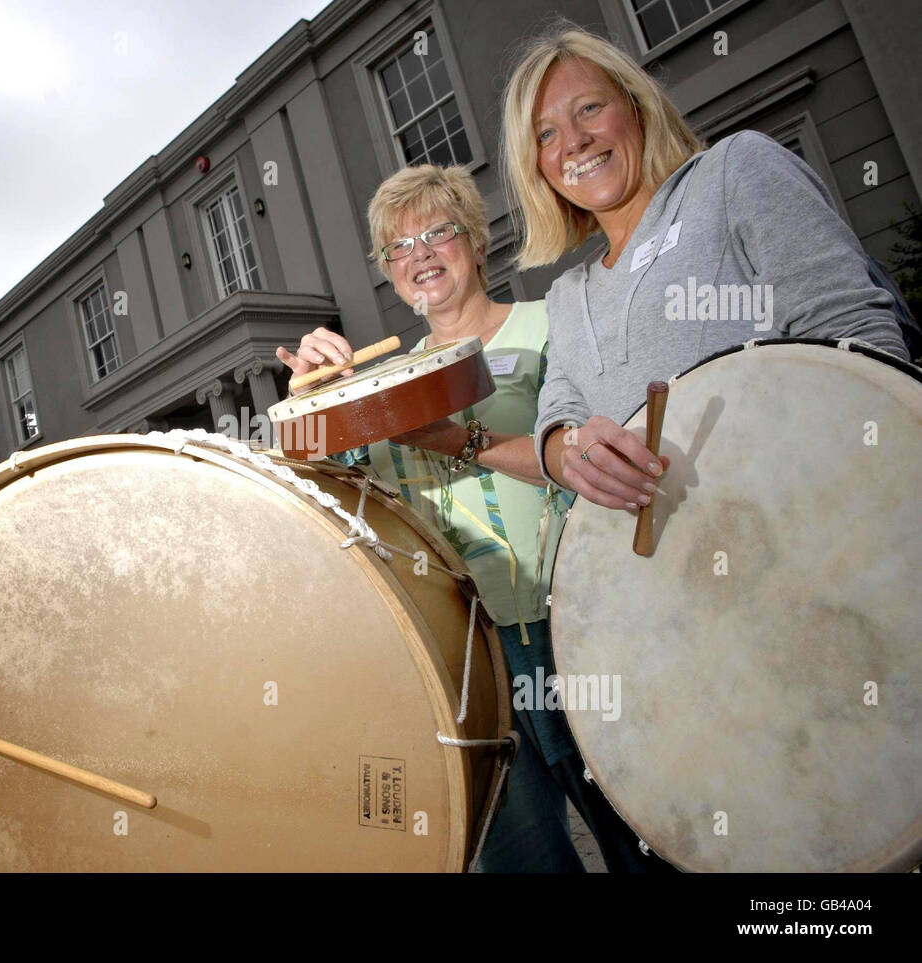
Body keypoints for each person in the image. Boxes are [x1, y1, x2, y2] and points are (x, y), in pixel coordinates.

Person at [277, 164, 645, 872]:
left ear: (475, 242)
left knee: (640, 833)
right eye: (399, 247)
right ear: (389, 274)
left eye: (437, 232)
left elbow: (595, 455)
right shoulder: (380, 384)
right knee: (519, 858)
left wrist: (463, 439)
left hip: (580, 626)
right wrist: (308, 398)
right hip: (468, 656)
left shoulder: (554, 324)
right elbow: (320, 491)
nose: (420, 253)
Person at [497, 22, 909, 503]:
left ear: (637, 106)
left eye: (589, 108)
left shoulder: (733, 171)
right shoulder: (567, 295)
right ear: (537, 166)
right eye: (546, 134)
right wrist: (571, 453)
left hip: (814, 520)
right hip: (669, 568)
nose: (573, 142)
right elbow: (558, 421)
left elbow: (859, 341)